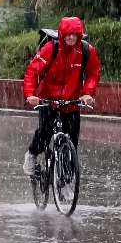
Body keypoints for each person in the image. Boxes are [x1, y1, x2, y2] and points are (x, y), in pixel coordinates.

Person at [22, 16, 102, 175]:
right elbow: (32, 72)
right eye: (68, 34)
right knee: (44, 133)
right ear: (62, 34)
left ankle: (66, 179)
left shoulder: (86, 51)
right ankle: (31, 155)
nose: (71, 37)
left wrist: (87, 93)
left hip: (71, 103)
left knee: (72, 142)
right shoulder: (51, 49)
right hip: (48, 101)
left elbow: (93, 73)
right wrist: (30, 94)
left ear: (79, 35)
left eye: (75, 34)